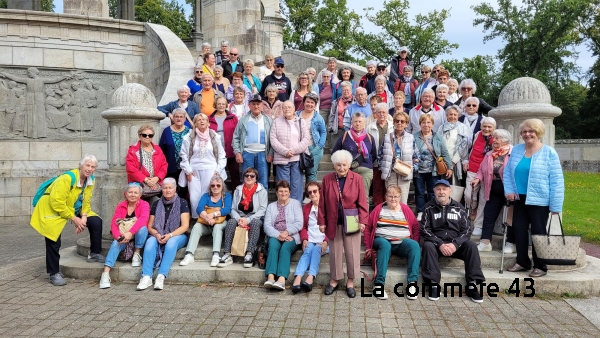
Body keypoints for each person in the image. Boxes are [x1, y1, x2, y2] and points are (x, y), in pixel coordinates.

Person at [30, 155, 104, 286]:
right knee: (53, 239)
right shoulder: (67, 178)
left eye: (93, 167)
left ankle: (94, 253)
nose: (90, 169)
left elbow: (86, 201)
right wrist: (75, 219)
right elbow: (57, 203)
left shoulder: (90, 179)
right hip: (51, 208)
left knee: (96, 222)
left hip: (72, 206)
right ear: (80, 165)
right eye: (87, 165)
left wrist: (84, 218)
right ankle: (54, 273)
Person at [503, 119, 564, 277]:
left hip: (540, 200)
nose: (527, 134)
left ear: (538, 133)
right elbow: (508, 172)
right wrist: (509, 190)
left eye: (531, 131)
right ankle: (522, 262)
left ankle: (540, 266)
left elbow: (557, 180)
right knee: (519, 230)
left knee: (538, 232)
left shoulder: (549, 152)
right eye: (524, 131)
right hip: (519, 199)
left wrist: (556, 206)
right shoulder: (516, 150)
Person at [420, 179, 486, 303]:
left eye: (444, 189)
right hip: (436, 245)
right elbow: (424, 229)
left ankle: (472, 284)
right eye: (438, 189)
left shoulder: (459, 208)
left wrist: (455, 244)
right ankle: (433, 284)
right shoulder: (428, 207)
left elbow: (466, 230)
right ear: (434, 191)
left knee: (471, 246)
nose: (441, 192)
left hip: (455, 245)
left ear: (450, 191)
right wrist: (440, 243)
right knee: (427, 245)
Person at [318, 150, 369, 297]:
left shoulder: (357, 178)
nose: (341, 168)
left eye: (344, 165)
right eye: (338, 165)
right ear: (334, 165)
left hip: (352, 221)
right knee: (335, 253)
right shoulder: (327, 179)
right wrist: (322, 221)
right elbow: (322, 203)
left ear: (349, 165)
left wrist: (363, 220)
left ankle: (350, 282)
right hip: (334, 221)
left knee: (352, 253)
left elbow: (362, 201)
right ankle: (334, 279)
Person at [364, 185, 420, 300]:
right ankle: (379, 285)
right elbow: (368, 228)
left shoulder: (405, 209)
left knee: (415, 245)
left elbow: (415, 227)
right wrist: (368, 247)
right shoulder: (379, 209)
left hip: (402, 243)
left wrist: (414, 240)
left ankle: (412, 284)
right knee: (385, 245)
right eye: (390, 196)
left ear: (400, 197)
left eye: (396, 196)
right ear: (386, 196)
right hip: (382, 241)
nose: (393, 199)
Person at [136, 178, 190, 290]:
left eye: (170, 188)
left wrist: (170, 235)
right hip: (158, 234)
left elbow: (185, 226)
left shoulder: (182, 203)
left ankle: (161, 276)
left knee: (170, 244)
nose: (168, 190)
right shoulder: (156, 204)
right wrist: (156, 235)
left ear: (175, 189)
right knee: (150, 242)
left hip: (177, 235)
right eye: (165, 188)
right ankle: (146, 276)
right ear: (162, 190)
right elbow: (150, 226)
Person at [471, 129, 515, 252]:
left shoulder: (513, 152)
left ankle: (511, 243)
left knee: (510, 217)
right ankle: (485, 242)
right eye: (493, 138)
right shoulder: (490, 154)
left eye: (497, 138)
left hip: (510, 189)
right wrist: (477, 179)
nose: (494, 140)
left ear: (505, 140)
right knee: (489, 215)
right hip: (493, 189)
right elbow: (481, 169)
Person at [99, 183, 150, 289]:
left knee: (143, 229)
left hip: (136, 235)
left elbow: (143, 220)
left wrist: (130, 233)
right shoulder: (121, 205)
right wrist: (118, 236)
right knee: (115, 244)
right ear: (125, 194)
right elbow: (114, 223)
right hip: (123, 236)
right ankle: (105, 273)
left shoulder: (144, 204)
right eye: (130, 192)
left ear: (140, 195)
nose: (133, 195)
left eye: (136, 192)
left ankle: (137, 253)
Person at [179, 114, 227, 219]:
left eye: (204, 119)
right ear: (195, 123)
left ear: (208, 122)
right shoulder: (189, 137)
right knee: (194, 197)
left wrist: (217, 171)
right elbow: (183, 155)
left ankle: (208, 218)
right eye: (199, 120)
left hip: (211, 169)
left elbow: (221, 155)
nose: (201, 121)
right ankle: (197, 219)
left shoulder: (214, 136)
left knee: (207, 194)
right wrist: (188, 171)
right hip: (193, 170)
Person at [218, 167, 268, 268]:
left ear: (256, 178)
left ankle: (250, 253)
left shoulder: (262, 191)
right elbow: (232, 208)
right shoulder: (238, 190)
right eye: (247, 175)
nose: (249, 177)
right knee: (231, 222)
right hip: (239, 217)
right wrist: (238, 219)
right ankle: (227, 253)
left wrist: (248, 220)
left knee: (255, 223)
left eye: (252, 176)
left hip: (254, 217)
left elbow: (263, 210)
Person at [180, 175, 232, 267]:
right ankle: (189, 254)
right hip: (206, 223)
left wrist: (213, 215)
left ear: (222, 186)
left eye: (218, 185)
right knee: (196, 226)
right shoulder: (206, 196)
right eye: (213, 185)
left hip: (221, 222)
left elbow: (227, 209)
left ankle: (216, 254)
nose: (215, 187)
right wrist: (208, 218)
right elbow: (199, 208)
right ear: (210, 187)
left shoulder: (227, 196)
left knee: (217, 227)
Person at [263, 180, 304, 291]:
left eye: (285, 191)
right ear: (276, 193)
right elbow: (266, 225)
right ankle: (271, 277)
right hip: (275, 235)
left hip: (291, 236)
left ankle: (281, 279)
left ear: (289, 192)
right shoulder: (271, 206)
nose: (283, 193)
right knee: (273, 246)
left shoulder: (295, 204)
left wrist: (287, 232)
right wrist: (279, 235)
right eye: (280, 191)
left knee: (285, 248)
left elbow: (299, 223)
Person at [270, 101, 312, 201]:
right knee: (283, 186)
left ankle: (296, 208)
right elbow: (273, 139)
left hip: (297, 160)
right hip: (282, 159)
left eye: (289, 107)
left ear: (294, 109)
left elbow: (306, 139)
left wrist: (292, 151)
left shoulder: (301, 121)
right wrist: (285, 152)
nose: (287, 109)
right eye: (284, 107)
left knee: (297, 186)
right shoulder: (276, 121)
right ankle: (284, 208)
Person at [413, 114, 452, 218]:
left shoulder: (438, 137)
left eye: (429, 122)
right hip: (419, 170)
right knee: (419, 191)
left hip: (433, 170)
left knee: (432, 191)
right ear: (420, 124)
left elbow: (445, 153)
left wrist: (450, 167)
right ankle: (421, 212)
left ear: (432, 124)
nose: (426, 125)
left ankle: (431, 211)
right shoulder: (415, 136)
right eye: (423, 122)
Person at [292, 182, 328, 293]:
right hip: (311, 238)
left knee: (317, 249)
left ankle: (311, 277)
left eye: (315, 191)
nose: (312, 194)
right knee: (308, 250)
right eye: (310, 192)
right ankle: (298, 277)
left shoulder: (327, 206)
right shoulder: (307, 208)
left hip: (326, 240)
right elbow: (303, 227)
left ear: (320, 191)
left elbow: (334, 227)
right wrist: (304, 239)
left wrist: (326, 241)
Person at [232, 94, 274, 189]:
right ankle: (247, 203)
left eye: (258, 104)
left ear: (262, 105)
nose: (256, 106)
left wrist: (271, 153)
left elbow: (273, 138)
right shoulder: (243, 120)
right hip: (247, 154)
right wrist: (238, 152)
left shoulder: (268, 120)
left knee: (262, 181)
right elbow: (236, 137)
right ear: (249, 106)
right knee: (247, 180)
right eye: (253, 104)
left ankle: (262, 203)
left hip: (263, 154)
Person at [333, 112, 378, 198]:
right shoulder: (345, 136)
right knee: (349, 196)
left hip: (366, 170)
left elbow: (374, 154)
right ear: (351, 123)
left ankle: (364, 212)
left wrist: (366, 161)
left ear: (364, 123)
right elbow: (335, 152)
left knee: (364, 197)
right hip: (349, 169)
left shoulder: (369, 137)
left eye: (360, 121)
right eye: (355, 121)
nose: (358, 124)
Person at [464, 117, 496, 236]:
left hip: (486, 172)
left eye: (489, 127)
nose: (486, 129)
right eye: (484, 126)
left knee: (483, 198)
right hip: (473, 168)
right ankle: (473, 209)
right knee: (469, 195)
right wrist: (465, 161)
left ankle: (478, 225)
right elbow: (470, 149)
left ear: (494, 128)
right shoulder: (477, 134)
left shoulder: (495, 138)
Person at [379, 111, 418, 205]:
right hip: (390, 172)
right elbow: (380, 155)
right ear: (393, 122)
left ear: (406, 124)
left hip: (404, 173)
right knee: (391, 200)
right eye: (397, 121)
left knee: (403, 201)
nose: (399, 123)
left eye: (402, 121)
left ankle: (402, 219)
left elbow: (416, 156)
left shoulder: (410, 138)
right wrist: (383, 168)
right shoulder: (387, 137)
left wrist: (412, 169)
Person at [125, 125, 168, 204]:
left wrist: (157, 178)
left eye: (150, 135)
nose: (147, 137)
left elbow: (164, 165)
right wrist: (147, 180)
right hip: (141, 184)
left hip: (156, 184)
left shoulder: (157, 149)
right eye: (144, 135)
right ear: (139, 135)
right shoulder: (133, 150)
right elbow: (131, 169)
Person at [209, 96, 240, 191]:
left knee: (235, 175)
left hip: (230, 149)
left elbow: (238, 133)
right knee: (216, 175)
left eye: (223, 104)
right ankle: (219, 195)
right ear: (215, 105)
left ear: (226, 105)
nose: (221, 106)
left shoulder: (232, 118)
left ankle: (236, 195)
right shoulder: (209, 119)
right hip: (215, 152)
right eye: (219, 104)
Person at [158, 108, 191, 198]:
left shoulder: (189, 131)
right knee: (170, 189)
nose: (179, 119)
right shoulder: (166, 131)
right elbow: (161, 150)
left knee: (184, 190)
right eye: (176, 116)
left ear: (185, 119)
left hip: (186, 167)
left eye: (181, 117)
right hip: (170, 166)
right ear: (173, 118)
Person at [437, 105, 472, 186]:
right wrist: (442, 159)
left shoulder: (463, 127)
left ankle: (454, 199)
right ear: (446, 116)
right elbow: (437, 143)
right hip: (443, 162)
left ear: (458, 115)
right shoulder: (441, 127)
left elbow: (464, 146)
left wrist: (452, 162)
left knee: (454, 185)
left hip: (455, 161)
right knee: (443, 184)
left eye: (455, 114)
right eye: (450, 114)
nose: (452, 116)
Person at [366, 103, 393, 206]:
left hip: (389, 161)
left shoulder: (392, 126)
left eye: (383, 112)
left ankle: (388, 206)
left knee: (388, 186)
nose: (381, 114)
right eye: (379, 112)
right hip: (376, 161)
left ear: (387, 113)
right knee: (377, 186)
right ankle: (379, 207)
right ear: (375, 113)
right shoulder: (370, 127)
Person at [298, 93, 327, 185]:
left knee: (311, 173)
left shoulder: (318, 117)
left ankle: (309, 196)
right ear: (303, 102)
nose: (309, 104)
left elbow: (323, 132)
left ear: (315, 105)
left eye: (312, 103)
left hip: (314, 148)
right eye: (307, 102)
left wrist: (319, 146)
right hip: (299, 148)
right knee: (297, 173)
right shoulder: (296, 115)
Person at [328, 81, 354, 148]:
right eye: (343, 90)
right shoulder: (336, 102)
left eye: (347, 90)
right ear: (341, 91)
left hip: (351, 131)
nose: (345, 92)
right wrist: (331, 128)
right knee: (336, 151)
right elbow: (332, 115)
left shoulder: (355, 101)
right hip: (337, 130)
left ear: (351, 90)